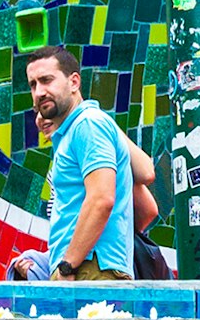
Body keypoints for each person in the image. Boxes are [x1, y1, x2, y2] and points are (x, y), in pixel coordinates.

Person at [9, 44, 143, 281]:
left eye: (47, 80)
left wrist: (67, 266)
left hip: (90, 268)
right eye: (33, 84)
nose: (39, 92)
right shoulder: (74, 131)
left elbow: (102, 199)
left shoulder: (87, 124)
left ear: (74, 82)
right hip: (83, 267)